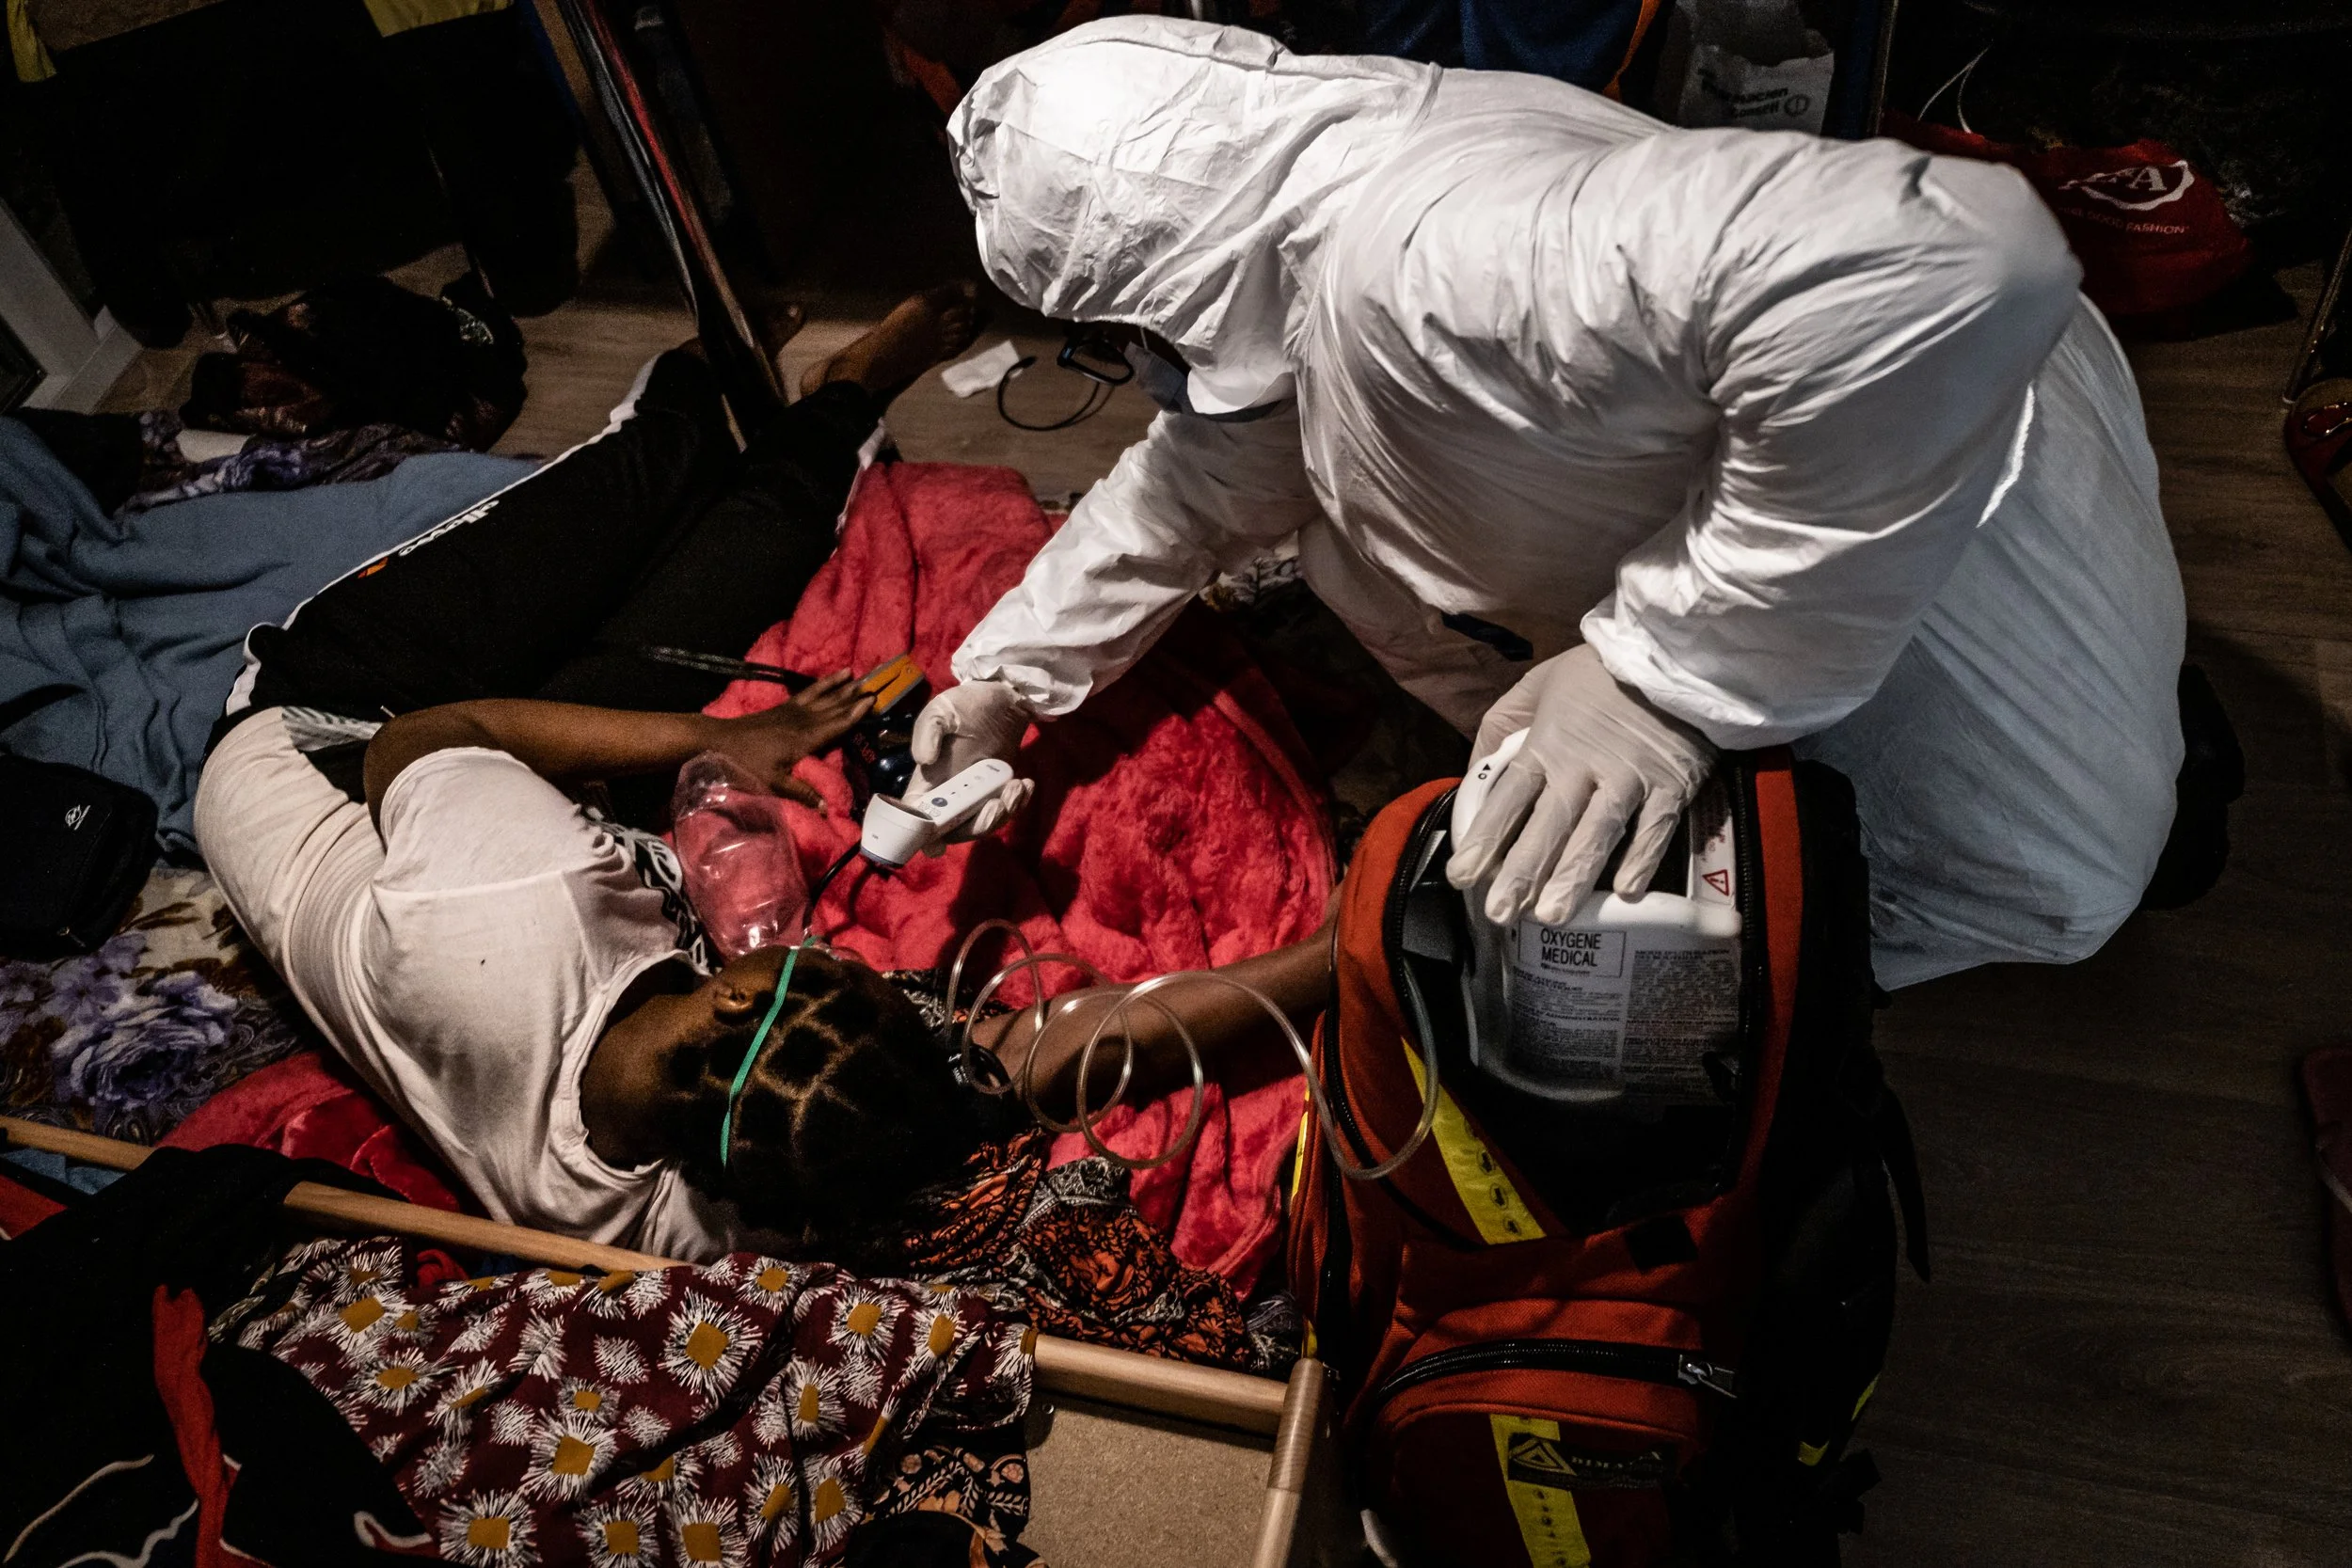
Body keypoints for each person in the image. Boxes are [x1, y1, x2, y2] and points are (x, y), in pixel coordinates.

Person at [908, 17, 2190, 990]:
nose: (1136, 362)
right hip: (1902, 488)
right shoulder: (1305, 211)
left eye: (1116, 328)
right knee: (1349, 547)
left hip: (1937, 585)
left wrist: (1668, 673)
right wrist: (1006, 677)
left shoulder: (1432, 253)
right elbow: (1211, 468)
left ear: (1152, 268)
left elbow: (1953, 268)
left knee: (1987, 869)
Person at [194, 284, 1328, 1261]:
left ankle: (776, 383)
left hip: (331, 727)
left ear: (731, 988)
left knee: (700, 511)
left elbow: (428, 737)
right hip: (430, 748)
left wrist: (727, 742)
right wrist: (1338, 957)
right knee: (700, 513)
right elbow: (1040, 1059)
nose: (828, 952)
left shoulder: (527, 916)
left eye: (829, 967)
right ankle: (754, 399)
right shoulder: (743, 1159)